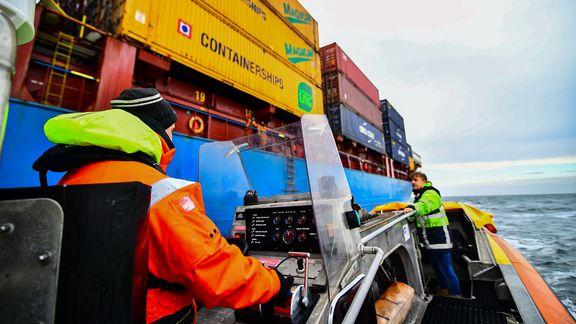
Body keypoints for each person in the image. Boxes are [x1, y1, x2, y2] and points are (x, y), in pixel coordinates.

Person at [33, 88, 292, 323]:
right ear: (154, 130)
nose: (173, 142)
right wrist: (275, 283)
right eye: (170, 132)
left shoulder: (72, 177)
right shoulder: (159, 190)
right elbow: (218, 274)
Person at [403, 171, 461, 297]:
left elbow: (425, 206)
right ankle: (444, 292)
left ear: (424, 181)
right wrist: (410, 216)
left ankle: (457, 295)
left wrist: (413, 208)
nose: (412, 182)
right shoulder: (419, 197)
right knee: (438, 269)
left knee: (447, 269)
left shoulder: (430, 193)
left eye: (416, 180)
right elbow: (418, 215)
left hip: (440, 238)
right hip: (429, 240)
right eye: (412, 180)